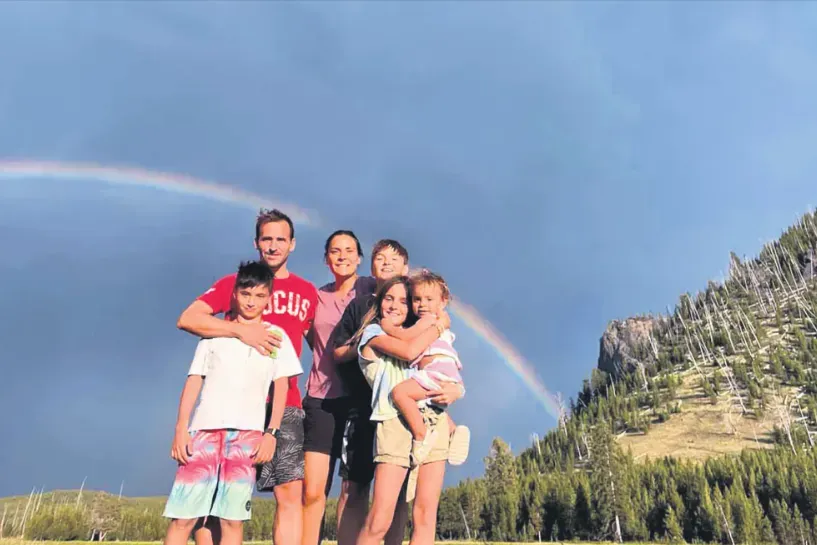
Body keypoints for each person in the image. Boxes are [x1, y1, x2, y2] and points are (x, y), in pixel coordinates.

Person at [177, 208, 318, 545]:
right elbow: (188, 318)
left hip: (282, 405)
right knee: (214, 498)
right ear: (256, 242)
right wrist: (240, 331)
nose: (273, 246)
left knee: (289, 492)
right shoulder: (234, 284)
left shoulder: (306, 291)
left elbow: (318, 343)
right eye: (266, 239)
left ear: (293, 244)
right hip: (230, 407)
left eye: (280, 239)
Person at [162, 261, 304, 545]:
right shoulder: (214, 334)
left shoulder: (276, 337)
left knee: (232, 519)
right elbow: (194, 381)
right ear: (235, 294)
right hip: (204, 433)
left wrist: (271, 433)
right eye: (245, 294)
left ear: (269, 298)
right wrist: (181, 429)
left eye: (259, 295)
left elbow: (281, 388)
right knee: (184, 517)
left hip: (247, 436)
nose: (251, 302)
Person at [332, 240, 461, 545]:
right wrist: (439, 324)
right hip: (392, 423)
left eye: (405, 301)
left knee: (424, 514)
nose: (395, 305)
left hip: (431, 418)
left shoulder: (420, 333)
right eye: (389, 299)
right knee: (381, 517)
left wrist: (455, 389)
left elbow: (439, 367)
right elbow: (409, 351)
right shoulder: (373, 333)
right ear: (378, 303)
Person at [302, 230, 375, 545]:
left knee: (354, 488)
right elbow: (310, 338)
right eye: (335, 250)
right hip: (321, 400)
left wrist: (439, 323)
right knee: (312, 490)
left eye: (349, 250)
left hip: (361, 400)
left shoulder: (373, 289)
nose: (342, 256)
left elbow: (417, 297)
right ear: (326, 259)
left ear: (359, 258)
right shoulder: (316, 297)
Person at [388, 270, 470, 467]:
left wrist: (388, 327)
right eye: (417, 299)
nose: (422, 304)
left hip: (435, 370)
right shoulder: (440, 321)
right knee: (429, 403)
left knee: (400, 393)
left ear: (443, 301)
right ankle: (453, 431)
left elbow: (406, 337)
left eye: (429, 299)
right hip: (446, 372)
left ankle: (421, 435)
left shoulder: (429, 321)